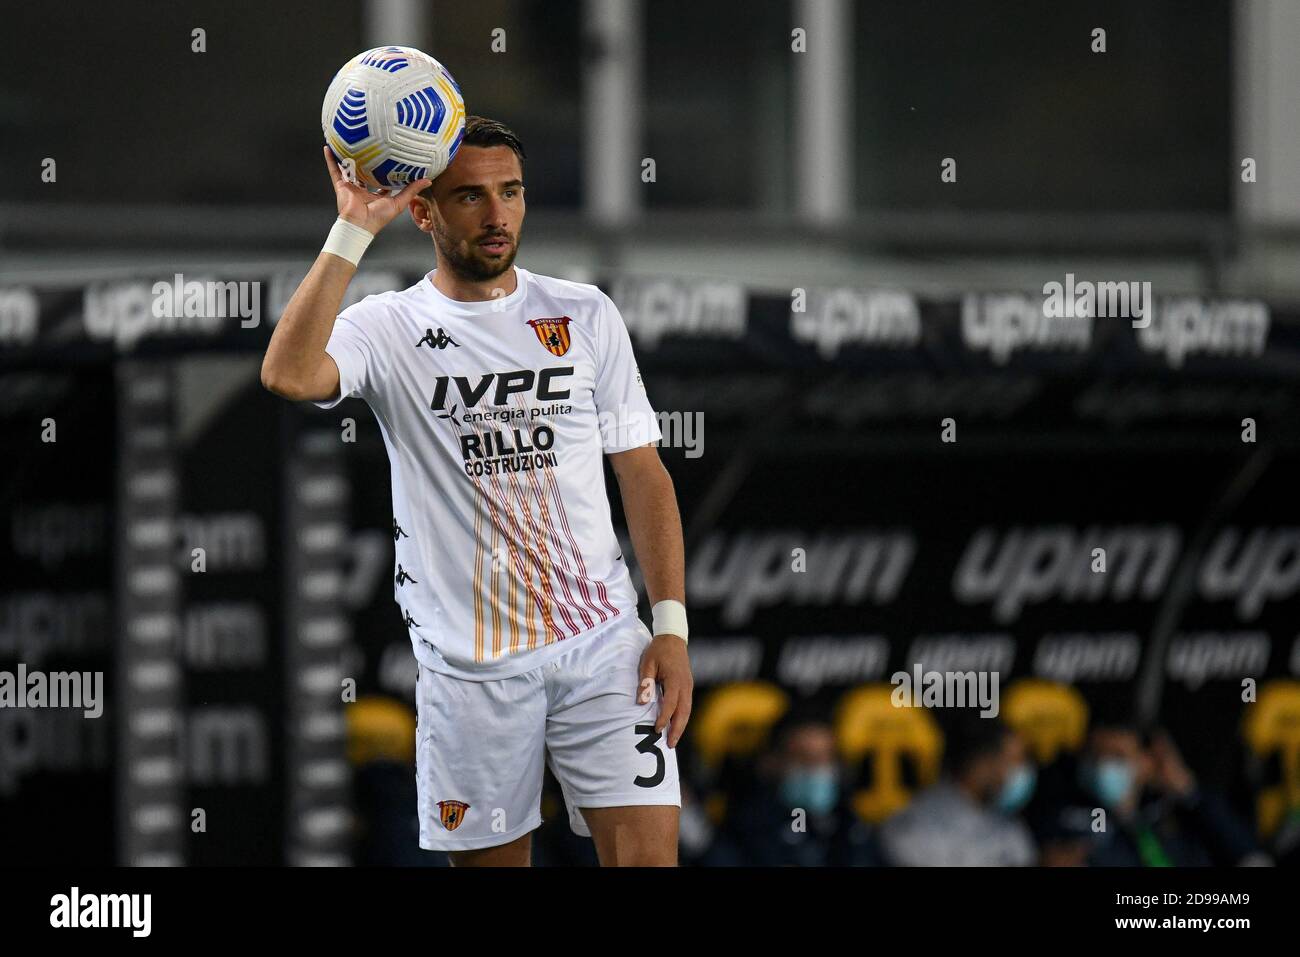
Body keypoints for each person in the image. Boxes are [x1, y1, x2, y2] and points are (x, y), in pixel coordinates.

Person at [261, 117, 693, 866]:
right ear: (423, 210)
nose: (498, 216)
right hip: (471, 673)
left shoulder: (586, 313)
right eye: (470, 198)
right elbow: (288, 374)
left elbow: (642, 470)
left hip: (603, 650)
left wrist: (673, 627)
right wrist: (351, 230)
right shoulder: (388, 326)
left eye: (512, 192)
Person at [1050, 722, 1265, 867]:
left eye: (1118, 757)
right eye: (1096, 757)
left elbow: (1252, 858)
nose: (1103, 767)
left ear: (1146, 763)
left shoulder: (1176, 813)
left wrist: (1188, 790)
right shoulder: (1067, 818)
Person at [703, 711, 879, 866]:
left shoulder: (850, 821)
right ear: (772, 762)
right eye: (802, 756)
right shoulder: (748, 826)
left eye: (825, 756)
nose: (815, 767)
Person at [878, 714, 1038, 866]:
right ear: (982, 763)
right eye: (1014, 761)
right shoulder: (912, 826)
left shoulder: (1011, 830)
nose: (1021, 772)